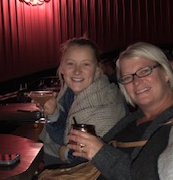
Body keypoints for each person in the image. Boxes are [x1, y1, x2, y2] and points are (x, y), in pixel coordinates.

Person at [65, 42, 173, 179]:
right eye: (127, 77)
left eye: (145, 71)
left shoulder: (169, 126)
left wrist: (100, 153)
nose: (136, 82)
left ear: (165, 72)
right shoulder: (133, 118)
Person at [38, 37, 127, 167]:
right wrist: (53, 113)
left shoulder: (108, 104)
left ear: (97, 69)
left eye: (86, 64)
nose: (77, 71)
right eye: (70, 64)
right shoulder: (68, 93)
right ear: (62, 68)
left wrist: (65, 152)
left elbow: (82, 157)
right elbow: (63, 136)